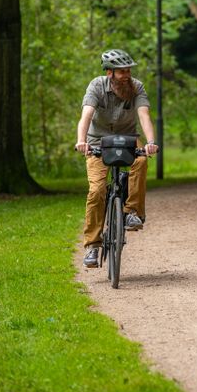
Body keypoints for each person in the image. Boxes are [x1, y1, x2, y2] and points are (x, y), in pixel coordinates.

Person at [75, 49, 158, 268]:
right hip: (97, 142)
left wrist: (150, 142)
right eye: (122, 71)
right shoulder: (96, 86)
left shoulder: (137, 87)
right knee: (96, 191)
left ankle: (133, 212)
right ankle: (93, 246)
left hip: (129, 139)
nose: (127, 74)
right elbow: (86, 115)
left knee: (140, 161)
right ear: (109, 72)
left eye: (128, 70)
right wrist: (81, 141)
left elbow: (144, 115)